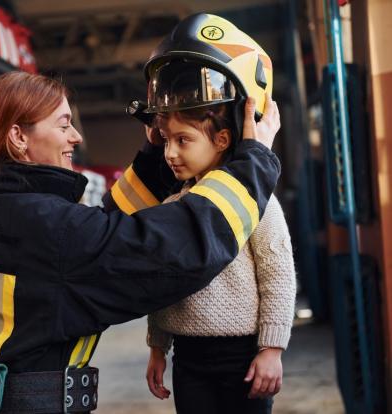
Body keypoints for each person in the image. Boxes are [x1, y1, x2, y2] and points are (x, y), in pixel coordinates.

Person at [0, 22, 281, 408]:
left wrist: (157, 160)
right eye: (64, 125)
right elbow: (170, 252)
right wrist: (254, 164)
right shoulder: (44, 225)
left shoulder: (16, 210)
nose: (77, 137)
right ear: (18, 138)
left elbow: (104, 232)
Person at [139, 13, 295, 414]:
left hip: (243, 358)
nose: (170, 153)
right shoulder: (175, 206)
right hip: (188, 359)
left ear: (223, 138)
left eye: (184, 140)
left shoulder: (257, 203)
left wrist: (272, 349)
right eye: (167, 140)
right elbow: (165, 281)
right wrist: (159, 346)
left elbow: (278, 276)